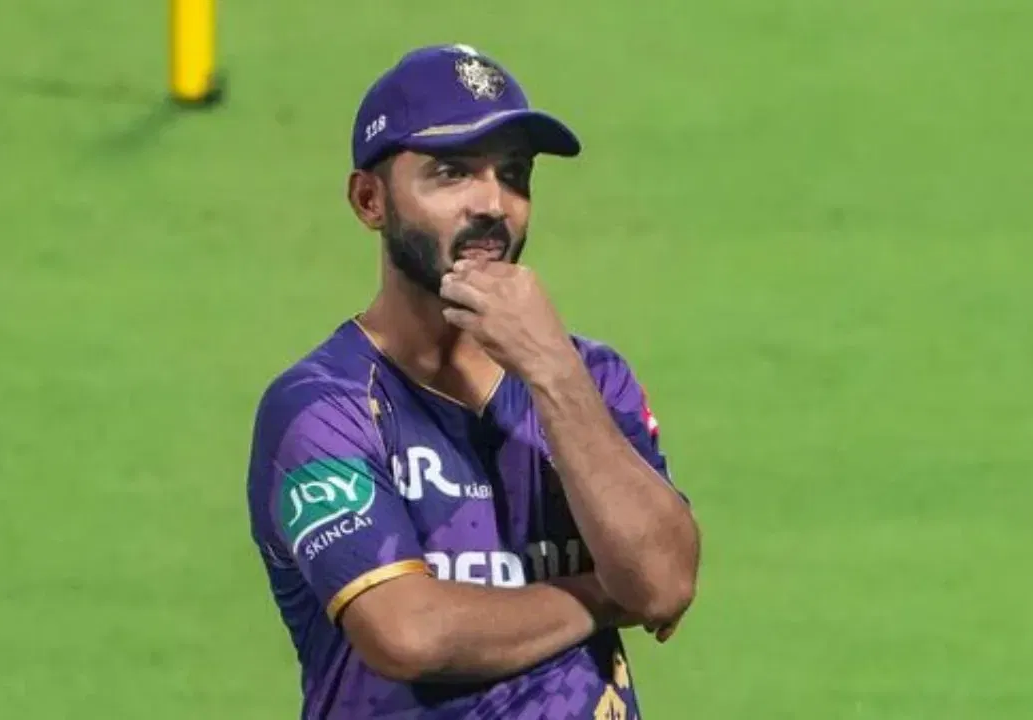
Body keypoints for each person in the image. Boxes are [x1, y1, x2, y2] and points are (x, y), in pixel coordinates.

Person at [246, 43, 701, 720]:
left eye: (514, 174)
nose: (493, 202)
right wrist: (605, 595)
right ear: (370, 200)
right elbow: (410, 633)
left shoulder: (590, 379)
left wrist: (552, 372)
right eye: (452, 172)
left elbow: (664, 582)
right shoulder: (324, 406)